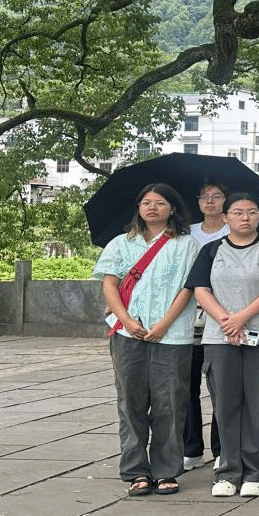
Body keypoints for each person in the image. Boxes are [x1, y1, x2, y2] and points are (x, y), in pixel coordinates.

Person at [96, 183, 200, 497]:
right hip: (127, 334)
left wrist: (165, 324)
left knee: (171, 403)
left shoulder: (186, 245)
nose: (152, 207)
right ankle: (136, 470)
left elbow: (188, 288)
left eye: (159, 202)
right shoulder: (120, 243)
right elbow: (109, 285)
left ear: (172, 208)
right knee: (130, 403)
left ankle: (167, 470)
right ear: (138, 208)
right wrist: (127, 321)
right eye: (145, 202)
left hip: (173, 334)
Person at [187, 193, 259, 498]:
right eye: (237, 212)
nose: (245, 217)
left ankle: (257, 472)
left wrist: (241, 318)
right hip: (220, 338)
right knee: (225, 405)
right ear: (225, 218)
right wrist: (226, 321)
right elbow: (200, 290)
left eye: (252, 212)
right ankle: (228, 471)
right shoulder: (211, 250)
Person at [184, 179, 229, 472]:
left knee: (221, 386)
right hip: (186, 315)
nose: (210, 201)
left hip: (222, 315)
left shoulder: (234, 231)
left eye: (217, 195)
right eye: (204, 196)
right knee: (185, 385)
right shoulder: (186, 233)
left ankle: (222, 448)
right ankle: (191, 448)